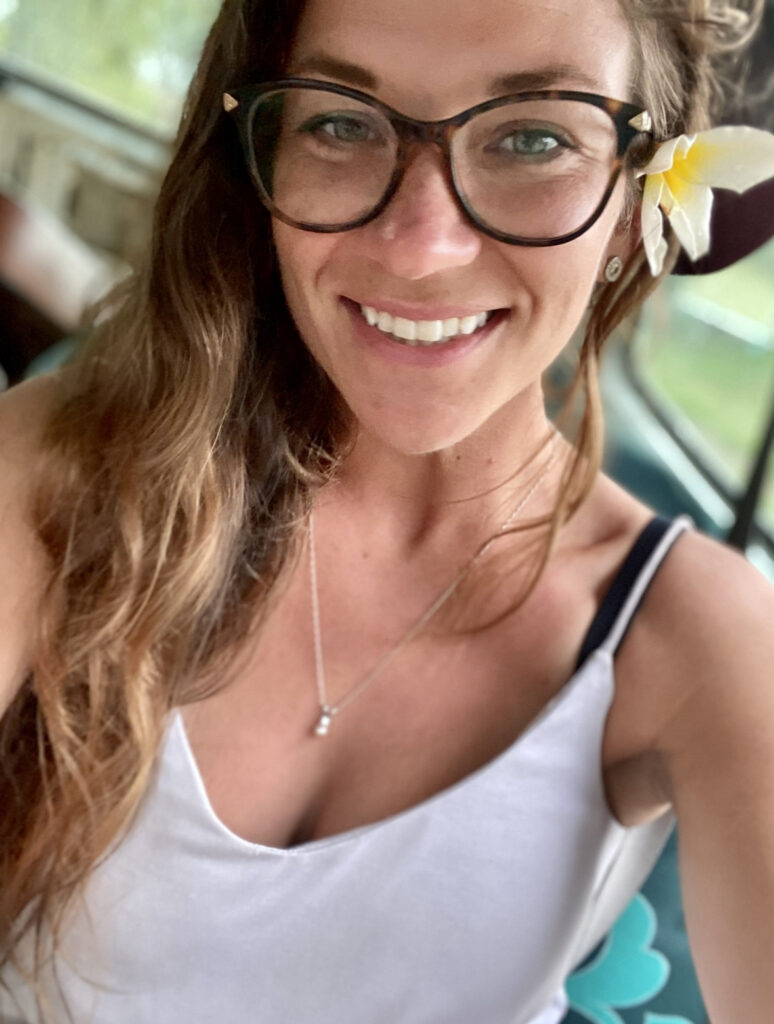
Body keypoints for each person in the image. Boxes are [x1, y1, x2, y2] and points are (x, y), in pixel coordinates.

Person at [1, 0, 773, 1021]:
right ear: (262, 158)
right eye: (341, 122)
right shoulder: (65, 463)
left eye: (534, 137)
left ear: (638, 206)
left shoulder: (699, 635)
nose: (420, 245)